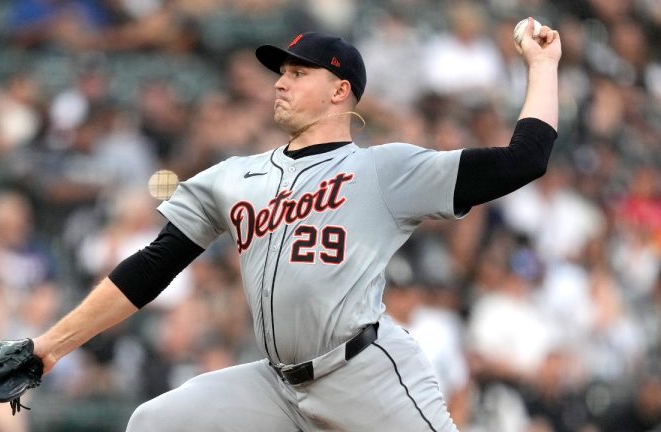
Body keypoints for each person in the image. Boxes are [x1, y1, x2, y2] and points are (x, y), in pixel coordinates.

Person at [33, 19, 561, 431]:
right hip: (278, 386)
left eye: (298, 72)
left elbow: (525, 159)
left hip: (364, 375)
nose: (280, 82)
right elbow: (150, 267)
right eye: (280, 73)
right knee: (154, 423)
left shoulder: (384, 169)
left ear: (339, 91)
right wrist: (49, 347)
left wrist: (543, 66)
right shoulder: (235, 177)